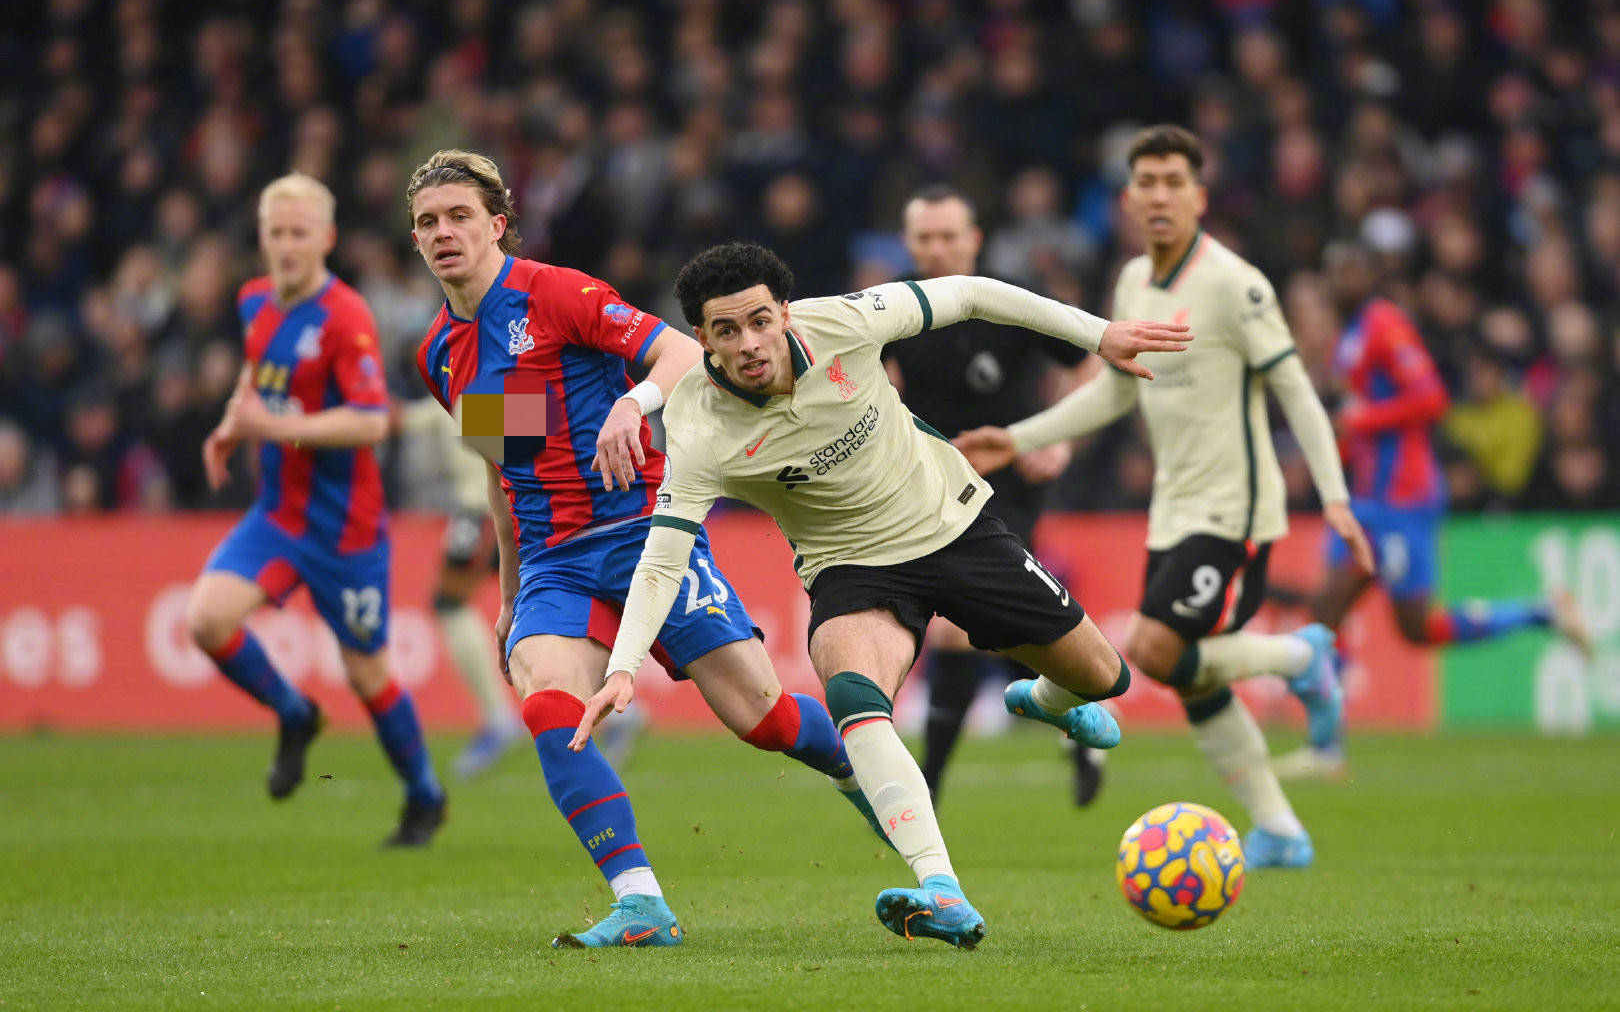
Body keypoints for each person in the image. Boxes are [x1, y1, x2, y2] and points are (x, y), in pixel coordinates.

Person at [573, 241, 1191, 949]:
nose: (748, 344)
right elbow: (662, 557)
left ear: (783, 313)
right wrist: (623, 665)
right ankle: (943, 890)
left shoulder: (844, 321)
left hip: (954, 523)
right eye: (725, 331)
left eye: (759, 322)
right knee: (853, 694)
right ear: (702, 338)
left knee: (1103, 677)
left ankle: (1043, 700)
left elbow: (971, 294)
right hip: (852, 568)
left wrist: (1099, 333)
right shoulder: (698, 424)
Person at [406, 149, 879, 950]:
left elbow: (682, 354)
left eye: (459, 216)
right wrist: (513, 591)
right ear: (415, 241)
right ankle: (640, 903)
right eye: (426, 222)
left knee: (760, 717)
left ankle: (879, 784)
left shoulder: (554, 293)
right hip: (555, 560)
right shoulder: (440, 354)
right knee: (551, 703)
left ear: (497, 225)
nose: (443, 232)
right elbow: (505, 466)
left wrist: (632, 402)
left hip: (643, 534)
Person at [955, 125, 1371, 868]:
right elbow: (1116, 392)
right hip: (1174, 510)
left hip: (1234, 508)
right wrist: (1017, 438)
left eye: (1173, 181)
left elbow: (1296, 391)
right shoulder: (1132, 284)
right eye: (1145, 181)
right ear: (1126, 198)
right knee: (1188, 668)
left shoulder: (1236, 284)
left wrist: (1334, 493)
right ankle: (1279, 827)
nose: (1158, 195)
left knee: (1152, 646)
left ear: (1199, 196)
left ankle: (1294, 657)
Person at [184, 173, 447, 847]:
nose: (287, 245)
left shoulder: (345, 316)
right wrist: (231, 425)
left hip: (344, 528)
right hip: (276, 514)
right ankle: (294, 712)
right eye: (276, 233)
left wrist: (272, 427)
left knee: (367, 673)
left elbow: (368, 422)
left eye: (300, 232)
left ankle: (424, 793)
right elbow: (256, 376)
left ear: (325, 238)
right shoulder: (254, 303)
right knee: (207, 620)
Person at [1276, 239, 1591, 778]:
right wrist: (1342, 446)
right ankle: (1326, 747)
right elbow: (1362, 423)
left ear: (1371, 274)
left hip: (1404, 500)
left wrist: (1360, 423)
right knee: (1325, 611)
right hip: (1367, 500)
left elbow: (1430, 398)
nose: (1345, 276)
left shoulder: (1384, 323)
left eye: (1355, 266)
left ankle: (1542, 612)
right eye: (1338, 268)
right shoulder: (1345, 341)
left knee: (1417, 628)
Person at [883, 184, 1103, 807]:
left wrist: (1055, 437)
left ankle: (928, 788)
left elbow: (1089, 357)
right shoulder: (892, 308)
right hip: (930, 482)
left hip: (1006, 481)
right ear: (909, 242)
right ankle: (1077, 732)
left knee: (958, 625)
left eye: (948, 236)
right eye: (924, 238)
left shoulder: (1008, 301)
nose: (936, 248)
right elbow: (872, 381)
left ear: (974, 240)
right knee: (1002, 628)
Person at [396, 397, 529, 778]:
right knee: (533, 603)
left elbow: (527, 420)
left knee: (450, 604)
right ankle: (613, 710)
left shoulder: (480, 384)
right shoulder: (472, 385)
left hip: (486, 510)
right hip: (503, 506)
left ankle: (500, 719)